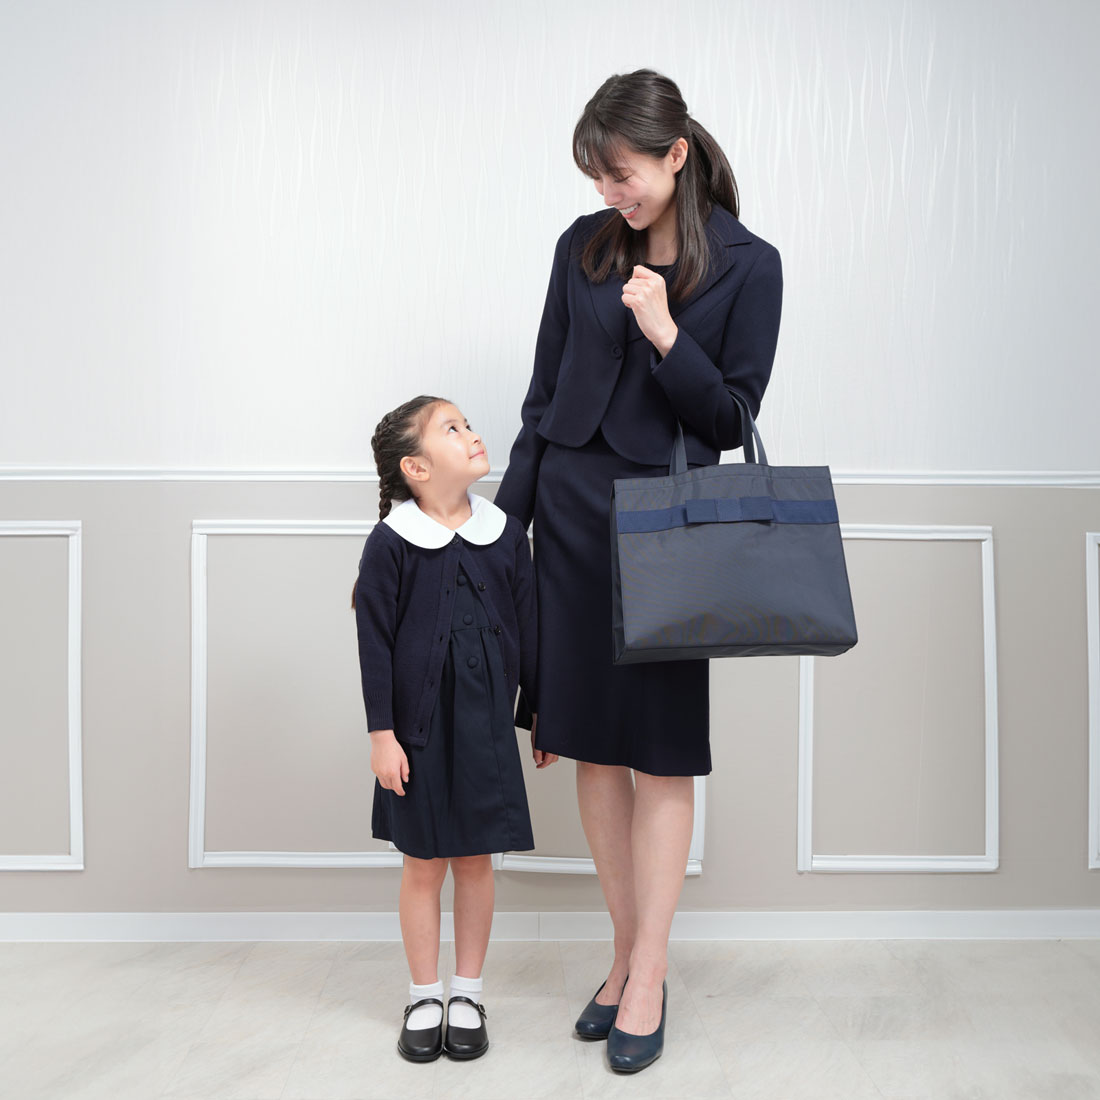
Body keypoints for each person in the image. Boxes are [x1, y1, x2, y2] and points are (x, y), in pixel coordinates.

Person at [495, 69, 783, 1073]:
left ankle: (649, 970)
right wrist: (506, 532)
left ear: (674, 155)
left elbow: (730, 417)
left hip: (668, 524)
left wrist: (664, 331)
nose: (609, 191)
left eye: (622, 173)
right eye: (596, 175)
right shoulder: (579, 246)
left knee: (659, 748)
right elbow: (540, 397)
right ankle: (620, 954)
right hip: (569, 513)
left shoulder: (749, 264)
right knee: (590, 747)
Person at [353, 395, 557, 1064]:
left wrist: (540, 714)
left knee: (476, 861)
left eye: (467, 424)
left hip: (486, 729)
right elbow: (374, 642)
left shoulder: (504, 534)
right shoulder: (391, 544)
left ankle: (467, 991)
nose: (472, 434)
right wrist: (382, 735)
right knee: (423, 865)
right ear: (415, 466)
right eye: (453, 428)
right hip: (414, 735)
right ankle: (423, 993)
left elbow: (530, 631)